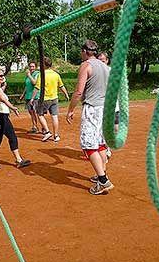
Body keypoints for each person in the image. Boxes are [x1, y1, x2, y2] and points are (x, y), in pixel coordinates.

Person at [66, 40, 114, 195]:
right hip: (105, 108)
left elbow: (79, 91)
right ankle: (102, 174)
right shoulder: (105, 67)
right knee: (100, 143)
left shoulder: (86, 65)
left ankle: (103, 180)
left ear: (84, 51)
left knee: (88, 145)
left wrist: (70, 110)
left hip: (93, 109)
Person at [0, 67, 31, 170]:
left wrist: (3, 82)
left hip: (3, 115)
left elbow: (2, 93)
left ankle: (19, 160)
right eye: (0, 75)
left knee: (12, 136)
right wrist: (13, 108)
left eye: (3, 75)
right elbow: (3, 99)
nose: (2, 77)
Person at [30, 57, 69, 142]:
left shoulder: (42, 75)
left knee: (40, 114)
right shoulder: (56, 74)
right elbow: (61, 86)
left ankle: (47, 131)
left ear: (44, 65)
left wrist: (32, 98)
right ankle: (56, 136)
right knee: (54, 116)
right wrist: (66, 94)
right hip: (54, 98)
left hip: (44, 99)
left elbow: (37, 87)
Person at [96, 51, 120, 162]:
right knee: (104, 130)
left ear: (107, 61)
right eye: (99, 61)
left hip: (113, 106)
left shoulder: (112, 72)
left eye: (103, 61)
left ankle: (107, 146)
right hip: (101, 107)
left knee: (115, 128)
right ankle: (106, 151)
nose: (101, 63)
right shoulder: (96, 73)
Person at [20, 61, 41, 133]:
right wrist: (23, 94)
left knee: (37, 113)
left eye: (33, 66)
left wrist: (29, 75)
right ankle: (35, 127)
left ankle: (44, 128)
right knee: (31, 112)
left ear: (36, 67)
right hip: (28, 96)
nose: (31, 68)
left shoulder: (37, 74)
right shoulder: (28, 75)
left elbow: (34, 83)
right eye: (30, 66)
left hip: (35, 96)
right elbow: (27, 85)